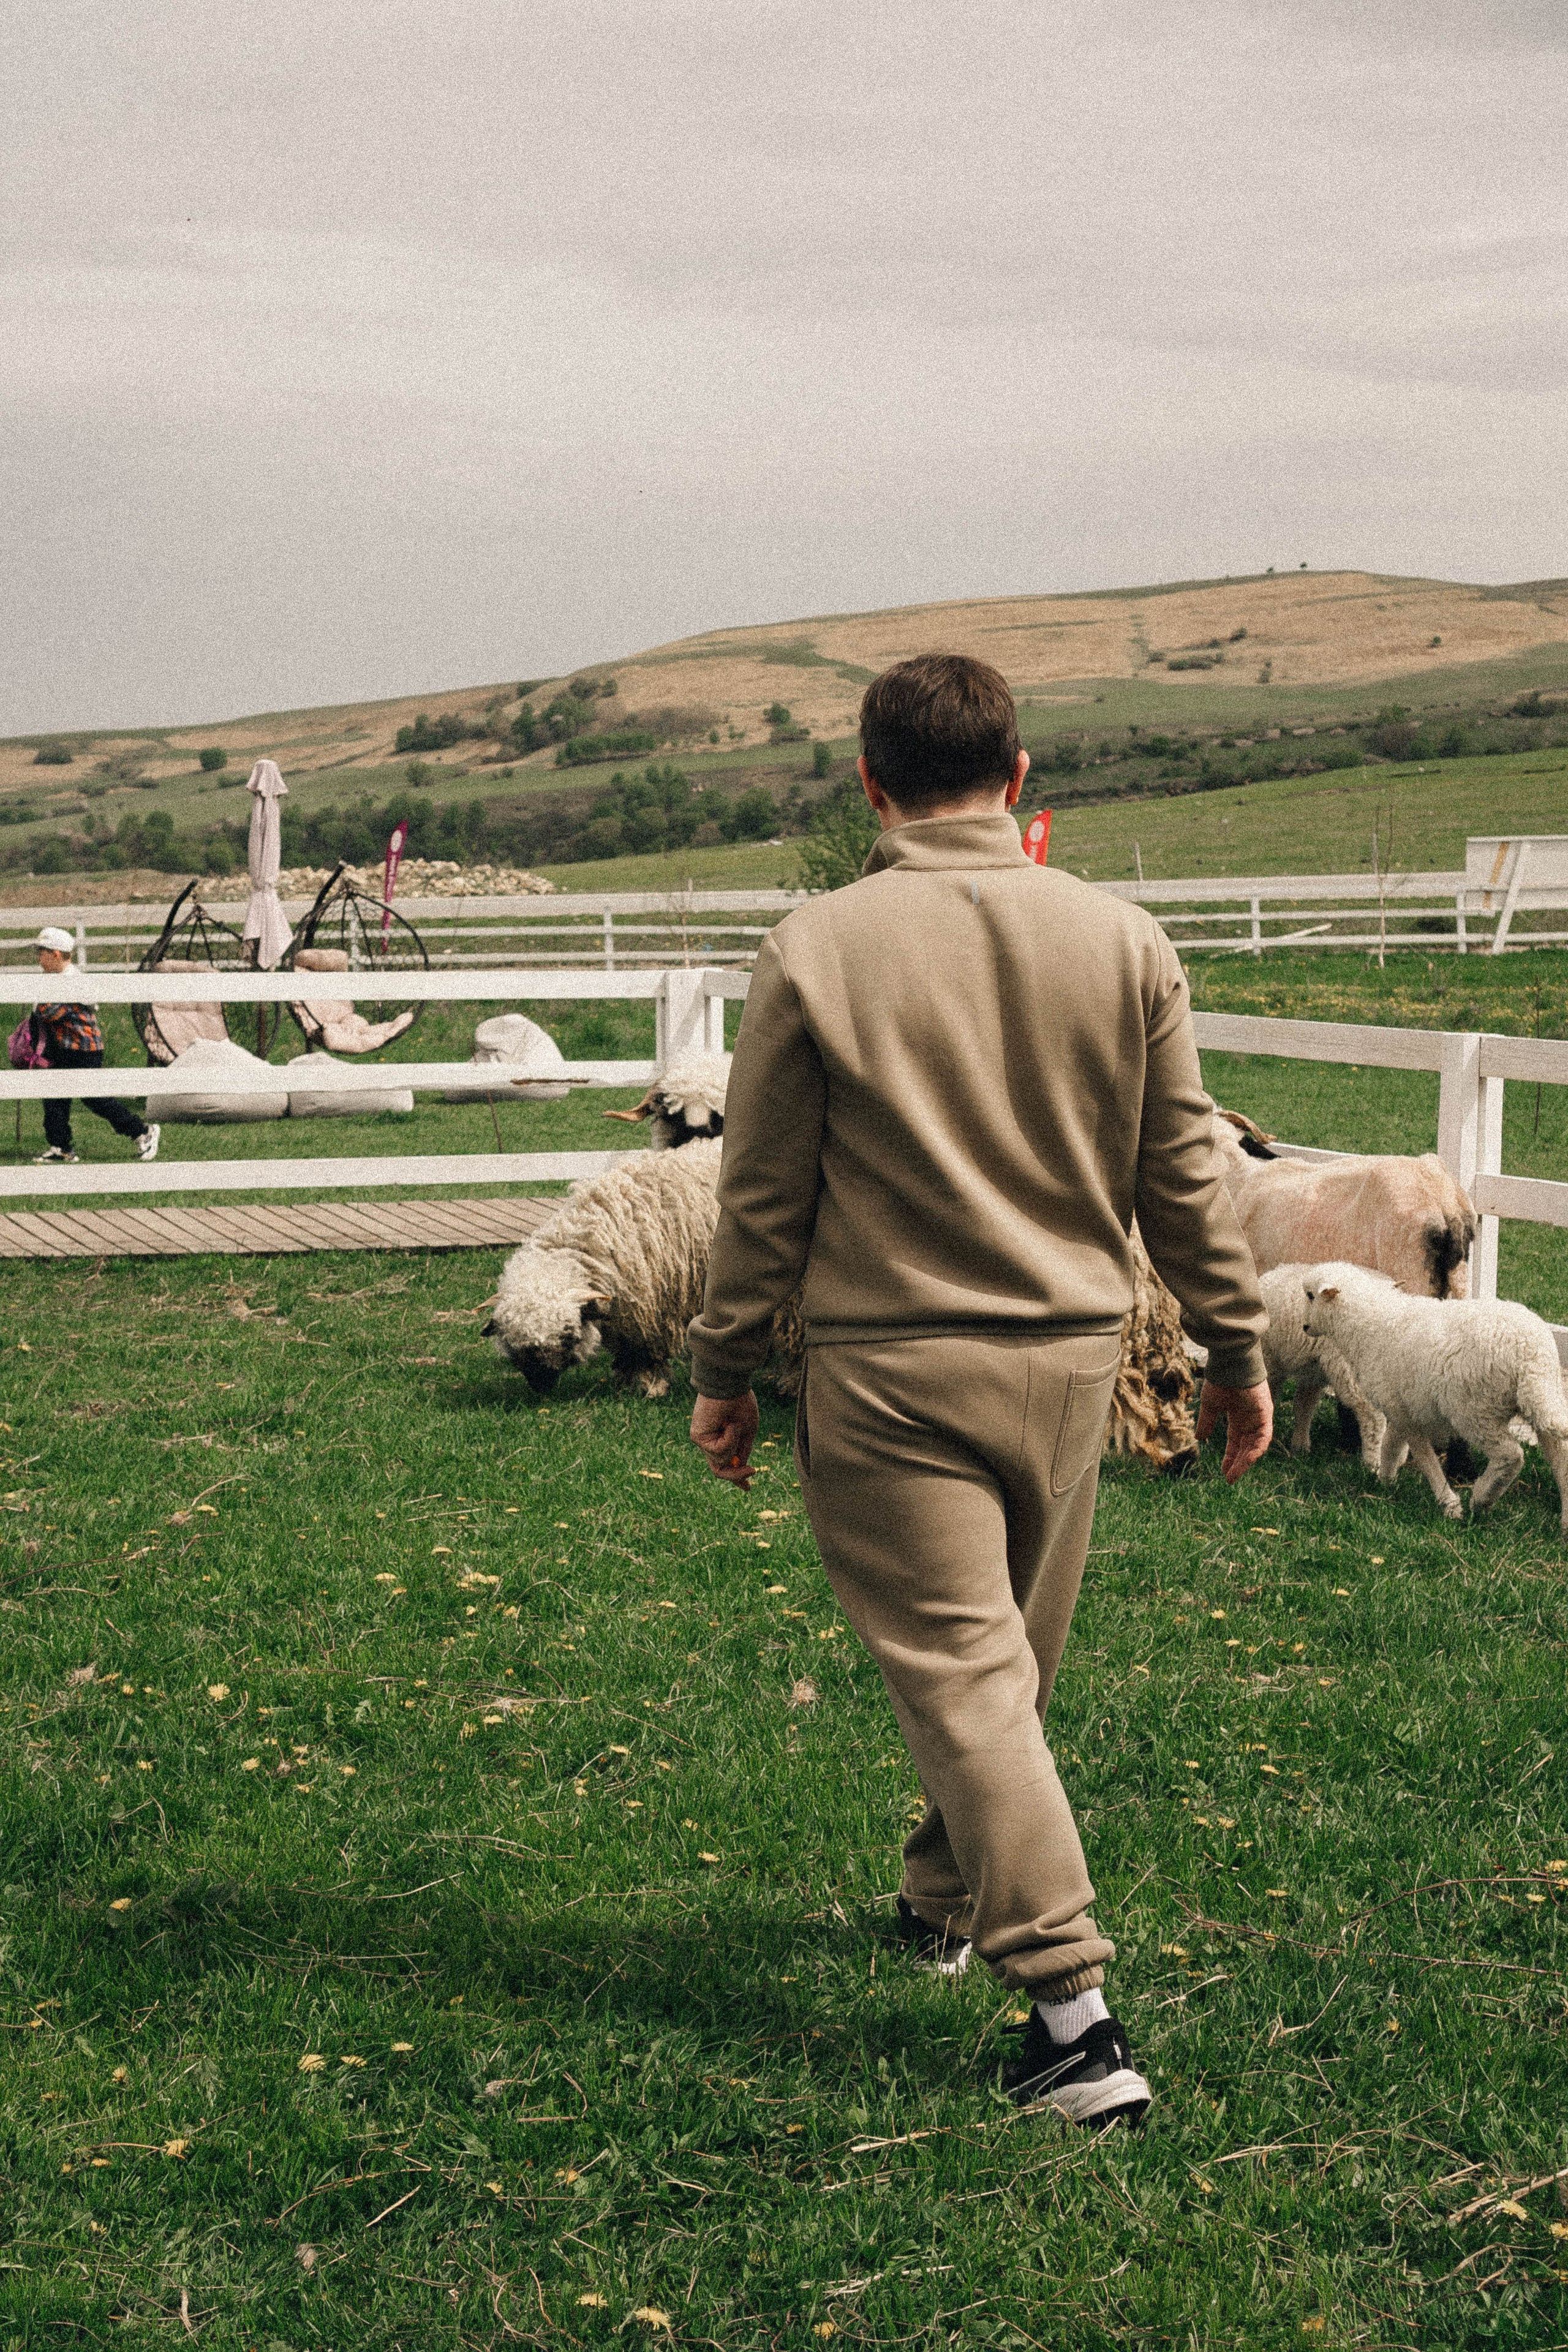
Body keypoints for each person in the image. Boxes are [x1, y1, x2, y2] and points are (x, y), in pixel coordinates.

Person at [687, 654, 1271, 2128]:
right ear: (1016, 776)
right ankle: (943, 1898)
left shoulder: (814, 947)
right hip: (1069, 1362)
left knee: (966, 1672)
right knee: (1004, 1664)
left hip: (888, 1372)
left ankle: (1073, 2023)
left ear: (870, 786)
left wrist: (725, 1367)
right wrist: (1233, 1346)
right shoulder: (1123, 938)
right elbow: (1189, 1176)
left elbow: (759, 1193)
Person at [29, 926, 160, 1167]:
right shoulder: (57, 980)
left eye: (42, 953)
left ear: (56, 954)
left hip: (83, 1050)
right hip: (64, 1049)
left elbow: (47, 1012)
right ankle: (61, 1147)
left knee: (94, 1097)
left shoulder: (70, 981)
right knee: (55, 1098)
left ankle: (142, 1131)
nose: (39, 958)